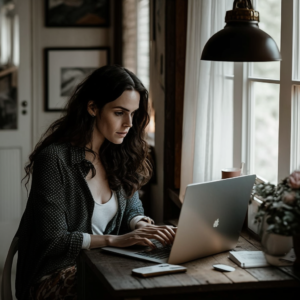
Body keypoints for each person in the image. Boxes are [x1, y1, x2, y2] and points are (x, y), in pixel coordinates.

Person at [15, 65, 176, 300]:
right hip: (55, 275)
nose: (129, 123)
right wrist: (116, 240)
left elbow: (132, 206)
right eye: (119, 112)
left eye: (133, 113)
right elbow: (53, 239)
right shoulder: (54, 160)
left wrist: (141, 226)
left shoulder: (119, 154)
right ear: (93, 108)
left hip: (108, 266)